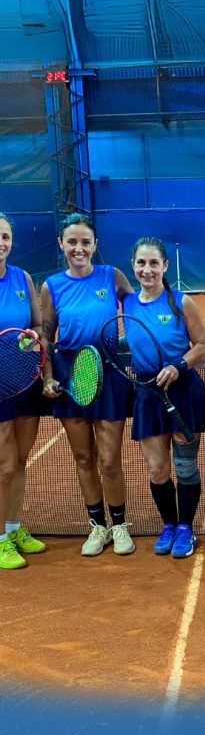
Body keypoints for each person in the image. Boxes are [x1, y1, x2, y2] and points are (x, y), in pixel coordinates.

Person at [41, 212, 135, 556]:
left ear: (95, 244)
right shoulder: (52, 286)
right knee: (83, 457)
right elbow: (46, 335)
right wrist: (48, 376)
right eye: (72, 242)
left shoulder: (112, 276)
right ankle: (98, 527)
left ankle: (119, 525)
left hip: (108, 371)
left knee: (109, 460)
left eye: (85, 242)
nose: (78, 248)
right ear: (61, 244)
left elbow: (138, 309)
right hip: (70, 372)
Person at [124, 237, 205, 557]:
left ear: (164, 266)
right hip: (148, 393)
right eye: (141, 263)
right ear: (133, 265)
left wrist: (178, 366)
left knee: (185, 466)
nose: (147, 269)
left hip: (183, 390)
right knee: (158, 469)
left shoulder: (181, 301)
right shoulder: (127, 302)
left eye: (153, 263)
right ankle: (169, 525)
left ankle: (186, 527)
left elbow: (202, 346)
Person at [0, 212, 48, 569]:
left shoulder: (23, 278)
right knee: (3, 466)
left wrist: (34, 336)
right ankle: (0, 539)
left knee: (19, 462)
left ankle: (14, 528)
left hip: (25, 380)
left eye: (4, 236)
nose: (0, 243)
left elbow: (38, 324)